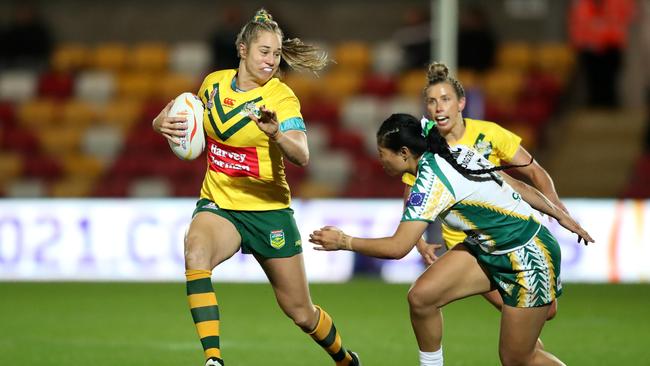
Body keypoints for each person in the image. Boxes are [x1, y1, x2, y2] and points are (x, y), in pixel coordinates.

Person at [152, 9, 360, 366]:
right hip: (221, 206)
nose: (271, 60)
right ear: (242, 49)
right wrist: (160, 123)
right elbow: (185, 122)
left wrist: (276, 133)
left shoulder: (281, 98)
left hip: (269, 214)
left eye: (276, 54)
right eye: (265, 51)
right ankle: (214, 359)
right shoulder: (212, 84)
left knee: (300, 312)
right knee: (195, 253)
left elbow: (303, 154)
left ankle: (345, 360)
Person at [310, 113, 594, 366]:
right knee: (422, 298)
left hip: (527, 256)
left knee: (518, 359)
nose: (380, 158)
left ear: (405, 152)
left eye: (382, 152)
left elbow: (398, 247)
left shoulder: (430, 183)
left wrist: (344, 241)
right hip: (492, 249)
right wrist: (559, 215)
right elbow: (516, 186)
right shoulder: (455, 152)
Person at [408, 62, 566, 325]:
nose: (438, 107)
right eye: (432, 101)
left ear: (461, 103)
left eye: (445, 100)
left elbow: (535, 173)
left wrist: (556, 207)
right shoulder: (427, 146)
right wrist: (418, 239)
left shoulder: (489, 134)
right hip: (471, 246)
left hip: (510, 235)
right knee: (515, 315)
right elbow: (412, 192)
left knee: (546, 312)